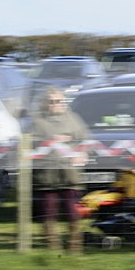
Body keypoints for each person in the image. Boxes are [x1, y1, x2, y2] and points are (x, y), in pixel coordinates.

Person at [31, 86, 90, 252]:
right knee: (48, 213)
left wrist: (82, 153)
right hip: (47, 176)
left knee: (73, 212)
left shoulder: (74, 119)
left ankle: (74, 246)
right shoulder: (37, 122)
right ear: (45, 103)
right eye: (52, 102)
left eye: (59, 101)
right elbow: (28, 144)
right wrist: (49, 141)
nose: (56, 104)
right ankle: (52, 248)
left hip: (70, 175)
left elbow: (87, 141)